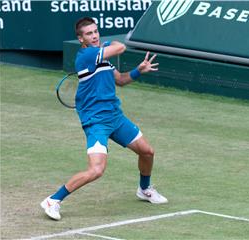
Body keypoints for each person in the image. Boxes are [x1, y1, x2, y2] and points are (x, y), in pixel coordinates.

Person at [41, 17, 168, 221]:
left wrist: (139, 71)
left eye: (96, 31)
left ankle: (144, 189)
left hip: (115, 117)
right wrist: (110, 44)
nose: (94, 36)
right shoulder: (87, 55)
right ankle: (53, 200)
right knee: (97, 170)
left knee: (147, 151)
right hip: (96, 121)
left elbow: (121, 80)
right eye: (89, 33)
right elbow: (121, 47)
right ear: (81, 39)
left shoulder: (103, 59)